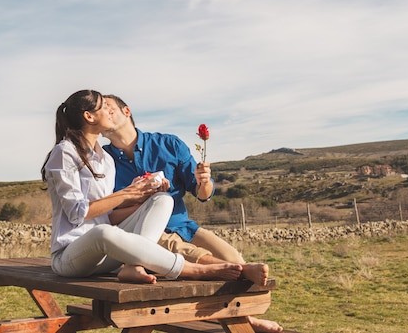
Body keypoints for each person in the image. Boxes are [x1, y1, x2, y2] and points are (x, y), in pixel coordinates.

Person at [102, 95, 282, 333]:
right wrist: (142, 198)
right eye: (99, 110)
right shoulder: (104, 160)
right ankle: (244, 314)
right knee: (186, 253)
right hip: (141, 232)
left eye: (108, 107)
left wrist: (204, 181)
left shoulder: (168, 145)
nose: (104, 112)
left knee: (233, 256)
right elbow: (109, 212)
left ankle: (243, 319)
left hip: (183, 225)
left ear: (126, 111)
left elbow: (203, 194)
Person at [41, 89, 244, 284]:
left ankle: (134, 264)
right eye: (104, 107)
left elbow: (108, 215)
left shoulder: (105, 160)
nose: (109, 112)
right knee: (104, 232)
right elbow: (79, 214)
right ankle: (193, 270)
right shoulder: (66, 152)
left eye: (110, 107)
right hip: (74, 252)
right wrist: (127, 194)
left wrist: (140, 196)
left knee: (164, 199)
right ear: (89, 117)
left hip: (116, 252)